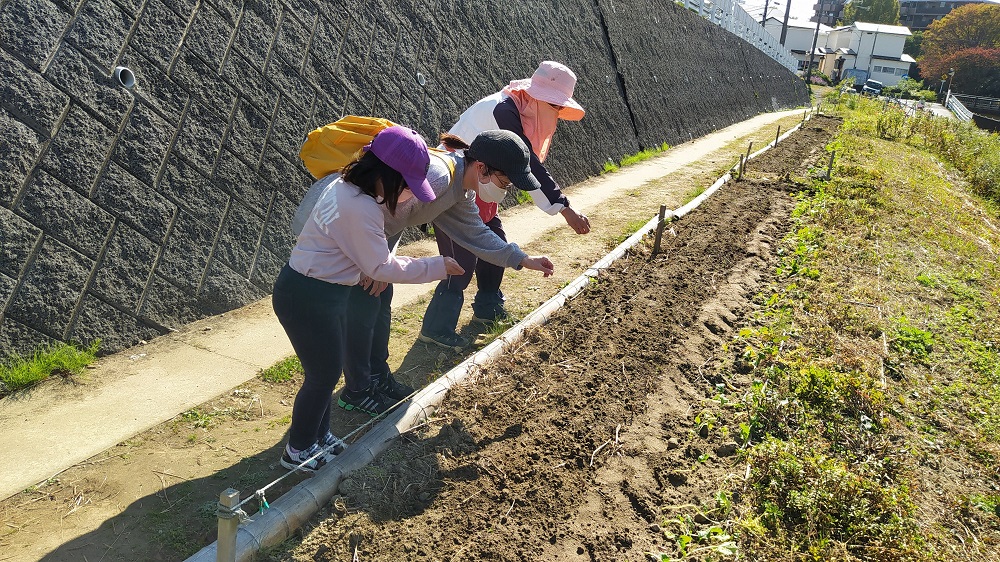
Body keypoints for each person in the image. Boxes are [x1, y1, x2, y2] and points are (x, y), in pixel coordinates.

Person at [273, 126, 465, 472]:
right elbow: (380, 266)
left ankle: (320, 436)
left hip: (323, 291)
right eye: (405, 184)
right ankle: (298, 449)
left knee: (327, 371)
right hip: (307, 295)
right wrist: (436, 265)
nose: (407, 194)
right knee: (323, 374)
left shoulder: (347, 187)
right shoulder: (359, 208)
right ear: (385, 174)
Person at [337, 129, 556, 417]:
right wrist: (374, 263)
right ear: (482, 167)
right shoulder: (440, 178)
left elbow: (476, 234)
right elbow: (380, 208)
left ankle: (377, 377)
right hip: (348, 239)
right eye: (505, 180)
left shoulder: (460, 191)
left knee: (380, 303)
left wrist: (523, 259)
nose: (505, 188)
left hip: (371, 245)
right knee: (364, 309)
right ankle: (357, 390)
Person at [418, 61, 590, 350]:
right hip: (453, 187)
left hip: (480, 184)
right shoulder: (505, 110)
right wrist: (563, 208)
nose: (556, 112)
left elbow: (521, 164)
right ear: (536, 94)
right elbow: (528, 164)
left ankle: (487, 305)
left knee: (494, 240)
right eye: (554, 105)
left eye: (559, 107)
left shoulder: (521, 108)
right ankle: (436, 327)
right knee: (461, 260)